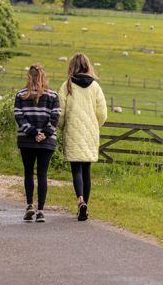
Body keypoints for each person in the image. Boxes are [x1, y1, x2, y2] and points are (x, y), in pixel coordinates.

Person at [58, 53, 107, 222]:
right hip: (90, 132)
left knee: (76, 169)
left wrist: (62, 126)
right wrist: (95, 125)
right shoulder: (95, 87)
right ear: (88, 66)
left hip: (73, 130)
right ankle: (85, 205)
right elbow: (102, 113)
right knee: (87, 170)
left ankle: (80, 200)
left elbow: (60, 112)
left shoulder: (67, 85)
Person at [14, 64, 60, 223]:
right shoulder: (53, 95)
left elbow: (19, 116)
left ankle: (29, 205)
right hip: (47, 141)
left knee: (28, 172)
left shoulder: (21, 94)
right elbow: (55, 117)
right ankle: (40, 211)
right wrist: (44, 133)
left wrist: (33, 133)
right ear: (44, 76)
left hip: (26, 140)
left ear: (29, 76)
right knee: (42, 174)